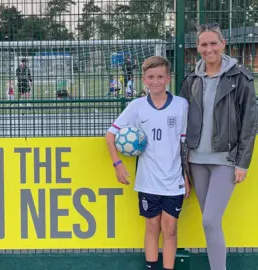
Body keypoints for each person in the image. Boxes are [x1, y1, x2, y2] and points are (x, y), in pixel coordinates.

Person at [179, 23, 257, 270]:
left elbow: (249, 123)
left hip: (226, 159)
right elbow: (181, 123)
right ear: (198, 47)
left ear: (223, 44)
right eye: (203, 44)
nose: (208, 48)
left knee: (211, 220)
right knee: (209, 222)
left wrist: (242, 163)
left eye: (213, 43)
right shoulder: (191, 79)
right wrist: (183, 166)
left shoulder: (240, 78)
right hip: (196, 161)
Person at [105, 56, 190, 270]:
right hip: (148, 180)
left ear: (168, 79)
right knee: (153, 226)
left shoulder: (181, 105)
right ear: (144, 79)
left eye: (160, 77)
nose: (156, 81)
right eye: (151, 77)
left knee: (169, 228)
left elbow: (184, 144)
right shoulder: (137, 107)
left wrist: (186, 176)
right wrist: (118, 164)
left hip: (173, 180)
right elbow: (110, 135)